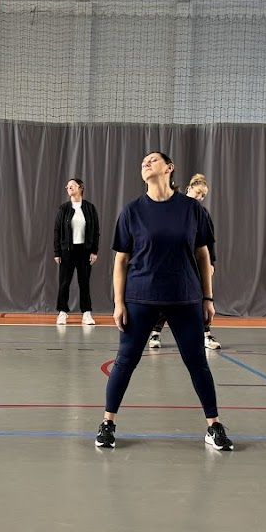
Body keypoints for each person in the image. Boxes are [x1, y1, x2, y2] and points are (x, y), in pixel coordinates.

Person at [95, 151, 229, 452]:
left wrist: (208, 297)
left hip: (185, 297)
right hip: (140, 298)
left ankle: (214, 427)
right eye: (143, 161)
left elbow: (203, 255)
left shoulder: (192, 210)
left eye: (153, 159)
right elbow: (121, 261)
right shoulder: (131, 211)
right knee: (125, 362)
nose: (146, 162)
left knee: (197, 363)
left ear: (169, 168)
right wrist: (119, 303)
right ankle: (107, 424)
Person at [149, 173, 220, 350]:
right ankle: (155, 333)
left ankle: (206, 335)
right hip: (173, 262)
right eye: (198, 193)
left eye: (203, 195)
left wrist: (211, 263)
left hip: (195, 263)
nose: (200, 198)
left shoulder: (202, 213)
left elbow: (208, 241)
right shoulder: (175, 208)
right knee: (167, 297)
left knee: (200, 299)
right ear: (189, 189)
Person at [54, 178, 100, 326]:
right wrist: (57, 252)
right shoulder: (63, 208)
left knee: (84, 282)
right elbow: (57, 231)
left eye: (72, 185)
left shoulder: (90, 208)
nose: (69, 187)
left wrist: (94, 251)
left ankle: (86, 313)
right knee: (64, 283)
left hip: (84, 251)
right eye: (67, 186)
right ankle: (62, 312)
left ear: (80, 188)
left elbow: (96, 231)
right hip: (67, 251)